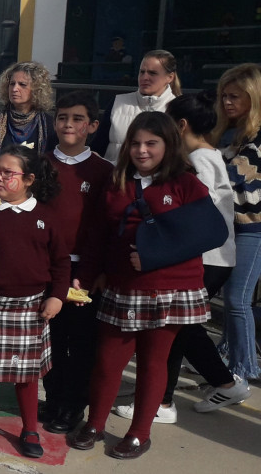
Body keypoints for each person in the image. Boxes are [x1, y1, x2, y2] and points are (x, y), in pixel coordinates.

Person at [70, 112, 213, 459]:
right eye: (135, 143)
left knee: (153, 362)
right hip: (122, 286)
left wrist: (153, 257)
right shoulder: (117, 181)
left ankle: (139, 433)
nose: (142, 150)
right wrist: (87, 277)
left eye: (151, 143)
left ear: (169, 145)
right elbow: (99, 236)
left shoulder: (186, 183)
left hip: (170, 288)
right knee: (107, 361)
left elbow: (207, 234)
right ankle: (95, 423)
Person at [112, 91, 250, 423]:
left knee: (176, 331)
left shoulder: (196, 163)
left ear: (180, 126)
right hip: (210, 257)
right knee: (183, 329)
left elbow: (185, 221)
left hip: (205, 258)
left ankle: (167, 400)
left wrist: (154, 251)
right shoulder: (208, 155)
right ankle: (215, 384)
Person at [0, 145, 66, 458]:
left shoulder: (45, 216)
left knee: (26, 375)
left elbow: (60, 262)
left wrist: (57, 296)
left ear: (29, 179)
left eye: (8, 172)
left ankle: (29, 428)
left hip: (30, 306)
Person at [39, 92, 113, 434]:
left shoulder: (103, 171)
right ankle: (53, 400)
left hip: (81, 274)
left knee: (80, 341)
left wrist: (90, 272)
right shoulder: (38, 165)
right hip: (42, 269)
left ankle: (73, 405)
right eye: (63, 117)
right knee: (47, 338)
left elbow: (101, 228)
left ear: (93, 126)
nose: (69, 124)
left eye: (77, 118)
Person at [216, 62, 261, 381]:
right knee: (230, 298)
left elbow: (235, 184)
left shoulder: (257, 140)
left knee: (236, 300)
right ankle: (227, 353)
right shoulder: (232, 133)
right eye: (224, 96)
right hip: (230, 229)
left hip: (254, 230)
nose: (227, 102)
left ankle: (244, 369)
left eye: (235, 96)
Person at [94, 50, 181, 161]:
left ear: (170, 77)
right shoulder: (118, 102)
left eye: (152, 73)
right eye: (142, 72)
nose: (145, 77)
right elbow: (99, 145)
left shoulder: (179, 108)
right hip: (113, 175)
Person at [0, 61, 56, 163]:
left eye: (22, 84)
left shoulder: (48, 124)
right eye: (12, 84)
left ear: (37, 89)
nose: (15, 89)